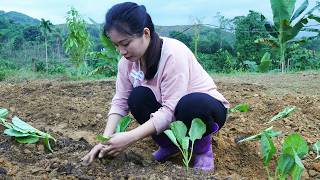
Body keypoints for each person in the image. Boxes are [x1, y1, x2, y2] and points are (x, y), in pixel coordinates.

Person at [81, 2, 230, 171]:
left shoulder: (173, 54)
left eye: (125, 43)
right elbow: (120, 101)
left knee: (191, 104)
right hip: (172, 114)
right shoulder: (126, 63)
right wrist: (104, 140)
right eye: (116, 45)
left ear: (146, 33)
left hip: (205, 110)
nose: (121, 51)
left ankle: (202, 151)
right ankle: (170, 146)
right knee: (137, 97)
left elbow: (170, 109)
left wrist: (130, 137)